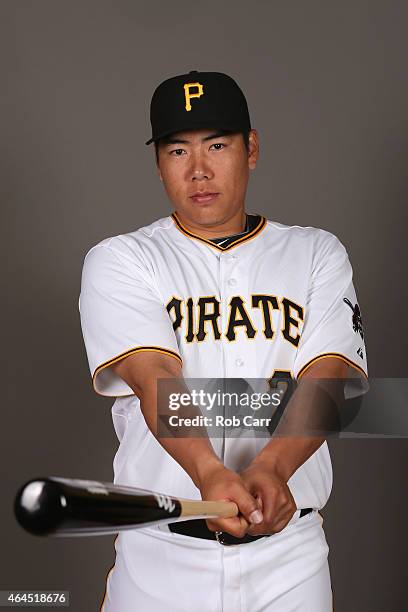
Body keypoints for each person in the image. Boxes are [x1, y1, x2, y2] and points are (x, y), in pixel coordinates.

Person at [79, 70, 369, 611]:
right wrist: (210, 472)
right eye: (177, 150)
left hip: (289, 562)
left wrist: (274, 467)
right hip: (159, 560)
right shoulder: (122, 259)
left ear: (251, 148)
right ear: (159, 163)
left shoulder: (316, 254)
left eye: (217, 144)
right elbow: (154, 378)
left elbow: (326, 380)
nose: (199, 170)